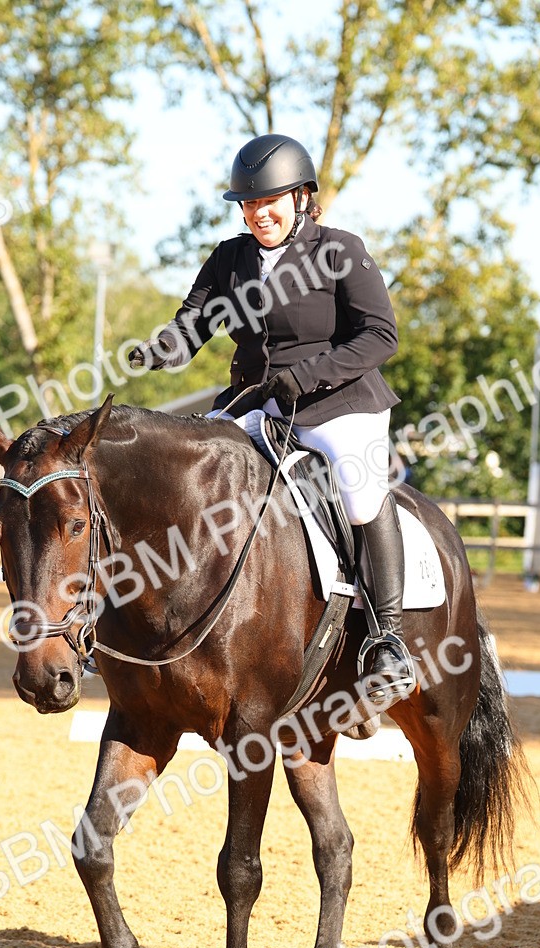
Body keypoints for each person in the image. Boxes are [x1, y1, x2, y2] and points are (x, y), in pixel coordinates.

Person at [128, 132, 416, 703]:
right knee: (188, 479)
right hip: (255, 405)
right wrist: (163, 349)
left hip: (338, 404)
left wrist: (308, 375)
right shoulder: (230, 258)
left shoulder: (339, 249)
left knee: (360, 494)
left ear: (302, 197)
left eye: (269, 202)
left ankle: (388, 638)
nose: (257, 214)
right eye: (248, 204)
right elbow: (193, 325)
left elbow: (380, 335)